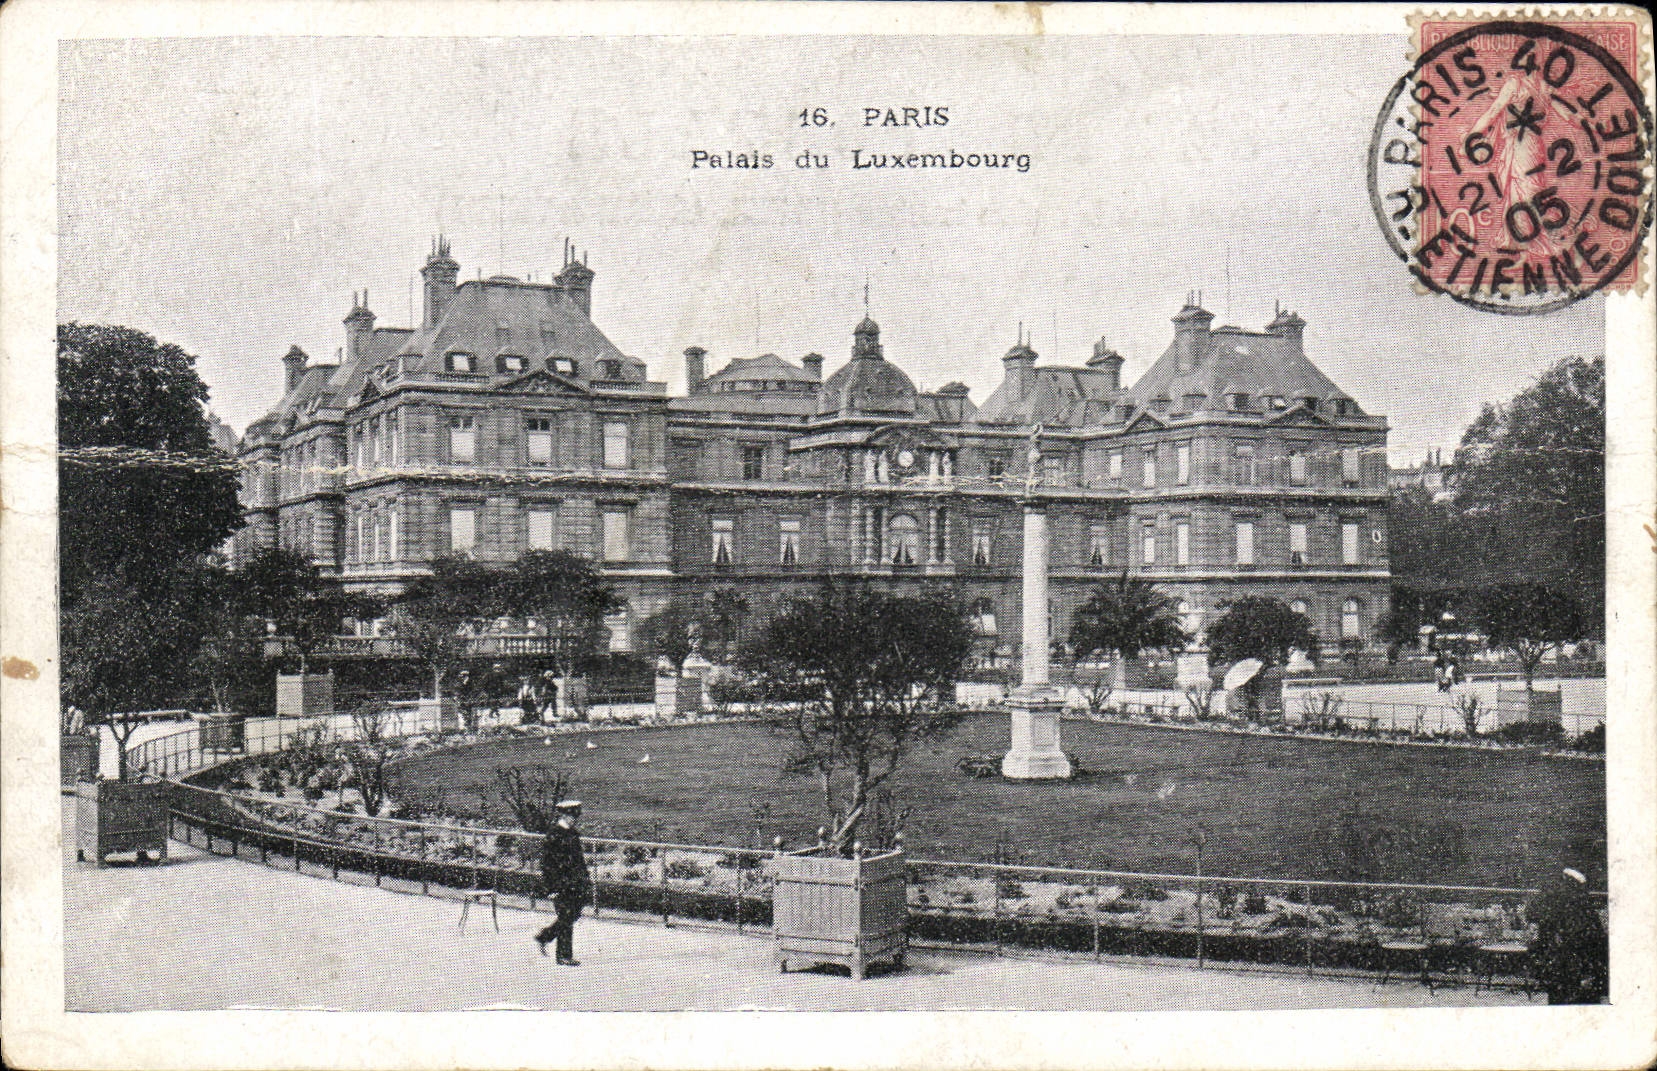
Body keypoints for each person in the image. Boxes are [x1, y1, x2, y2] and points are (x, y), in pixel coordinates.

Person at [1526, 865, 1608, 1004]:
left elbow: (1532, 914)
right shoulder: (1580, 901)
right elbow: (1594, 937)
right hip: (1576, 963)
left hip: (1559, 962)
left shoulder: (1552, 895)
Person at [535, 800, 592, 965]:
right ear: (563, 815)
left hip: (575, 882)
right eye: (570, 816)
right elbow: (547, 863)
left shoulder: (573, 833)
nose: (573, 819)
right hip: (560, 883)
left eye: (575, 816)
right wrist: (551, 887)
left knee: (573, 914)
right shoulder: (554, 834)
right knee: (566, 916)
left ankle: (545, 936)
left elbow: (579, 860)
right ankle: (563, 956)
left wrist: (585, 878)